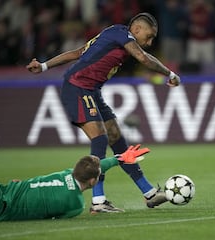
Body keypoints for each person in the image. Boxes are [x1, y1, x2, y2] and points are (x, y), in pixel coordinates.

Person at [26, 12, 181, 213]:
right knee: (100, 139)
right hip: (77, 87)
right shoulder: (120, 33)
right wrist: (170, 74)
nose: (150, 42)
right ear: (136, 29)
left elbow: (79, 52)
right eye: (149, 36)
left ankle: (149, 193)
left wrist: (45, 65)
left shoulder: (112, 36)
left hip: (91, 90)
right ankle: (98, 201)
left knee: (116, 138)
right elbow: (143, 58)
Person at [0, 145, 150, 224]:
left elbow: (95, 167)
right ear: (92, 182)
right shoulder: (75, 204)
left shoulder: (66, 173)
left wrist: (118, 159)